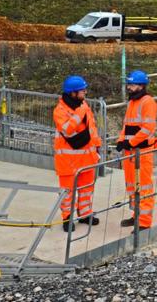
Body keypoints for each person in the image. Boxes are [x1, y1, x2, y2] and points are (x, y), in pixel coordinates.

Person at [53, 75, 102, 232]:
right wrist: (80, 112)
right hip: (68, 161)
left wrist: (98, 145)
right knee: (67, 193)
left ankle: (85, 214)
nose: (85, 93)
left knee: (87, 189)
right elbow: (67, 129)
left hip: (87, 158)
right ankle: (67, 218)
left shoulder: (83, 105)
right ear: (73, 93)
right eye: (82, 90)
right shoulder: (60, 111)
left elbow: (91, 127)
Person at [116, 70, 157, 232]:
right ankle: (136, 215)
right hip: (130, 151)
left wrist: (130, 142)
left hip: (142, 152)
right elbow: (126, 125)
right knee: (132, 185)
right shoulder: (132, 102)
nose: (129, 87)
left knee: (144, 186)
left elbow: (148, 128)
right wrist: (121, 141)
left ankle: (144, 222)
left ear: (141, 86)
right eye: (129, 84)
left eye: (132, 84)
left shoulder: (148, 102)